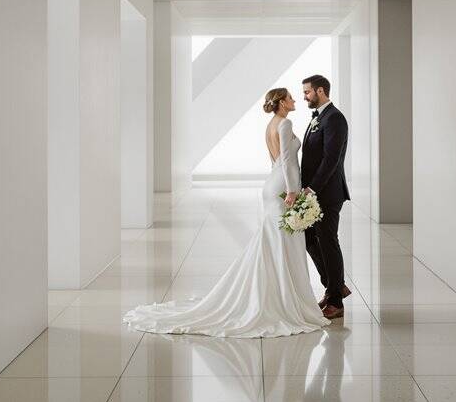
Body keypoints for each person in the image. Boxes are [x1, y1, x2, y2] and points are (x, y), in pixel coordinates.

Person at [122, 88, 331, 337]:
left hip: (273, 183)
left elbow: (275, 160)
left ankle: (277, 294)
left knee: (276, 242)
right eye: (291, 97)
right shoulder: (285, 124)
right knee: (283, 242)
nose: (295, 100)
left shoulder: (271, 124)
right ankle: (284, 300)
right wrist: (292, 191)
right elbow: (286, 160)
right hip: (284, 187)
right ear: (282, 102)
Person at [300, 75, 351, 319]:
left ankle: (336, 301)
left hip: (328, 192)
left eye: (307, 92)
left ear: (321, 91)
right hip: (313, 192)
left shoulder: (335, 118)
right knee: (310, 239)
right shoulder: (318, 118)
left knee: (328, 241)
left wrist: (312, 188)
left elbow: (331, 159)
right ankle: (334, 285)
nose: (304, 96)